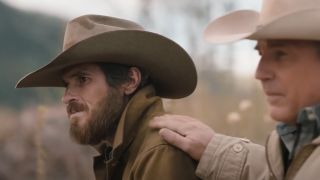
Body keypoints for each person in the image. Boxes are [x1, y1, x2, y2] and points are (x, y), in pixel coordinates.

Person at [150, 0, 320, 179]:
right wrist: (215, 150)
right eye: (261, 54)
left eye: (281, 55)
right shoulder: (297, 137)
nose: (260, 73)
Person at [16, 14, 200, 180]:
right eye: (67, 85)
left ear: (130, 81)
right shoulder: (121, 151)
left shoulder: (159, 153)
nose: (66, 98)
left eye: (82, 79)